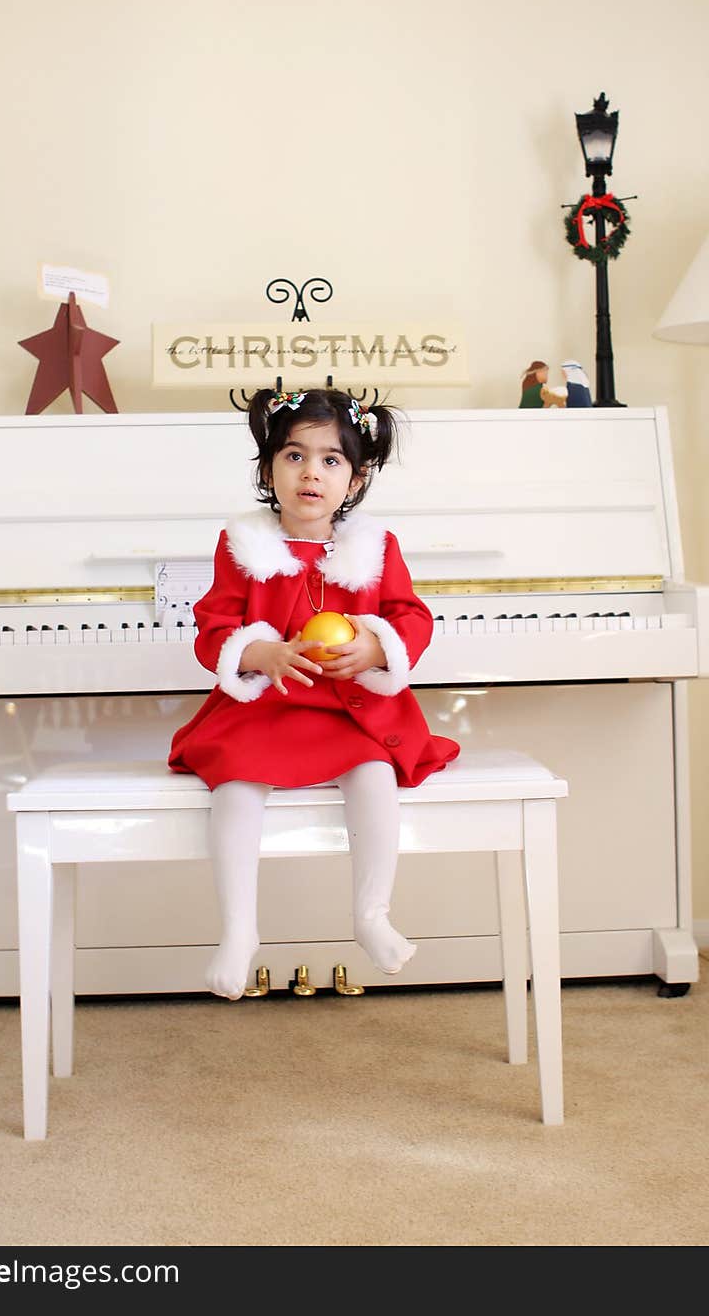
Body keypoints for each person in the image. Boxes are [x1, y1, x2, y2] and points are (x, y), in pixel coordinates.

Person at [168, 386, 460, 1000]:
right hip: (269, 706)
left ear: (354, 482)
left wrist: (377, 647)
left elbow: (412, 615)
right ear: (268, 469)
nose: (311, 473)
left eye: (331, 461)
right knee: (238, 785)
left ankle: (371, 913)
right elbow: (214, 627)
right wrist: (260, 652)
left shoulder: (376, 548)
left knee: (375, 777)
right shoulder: (241, 546)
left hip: (349, 710)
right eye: (294, 456)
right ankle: (239, 930)